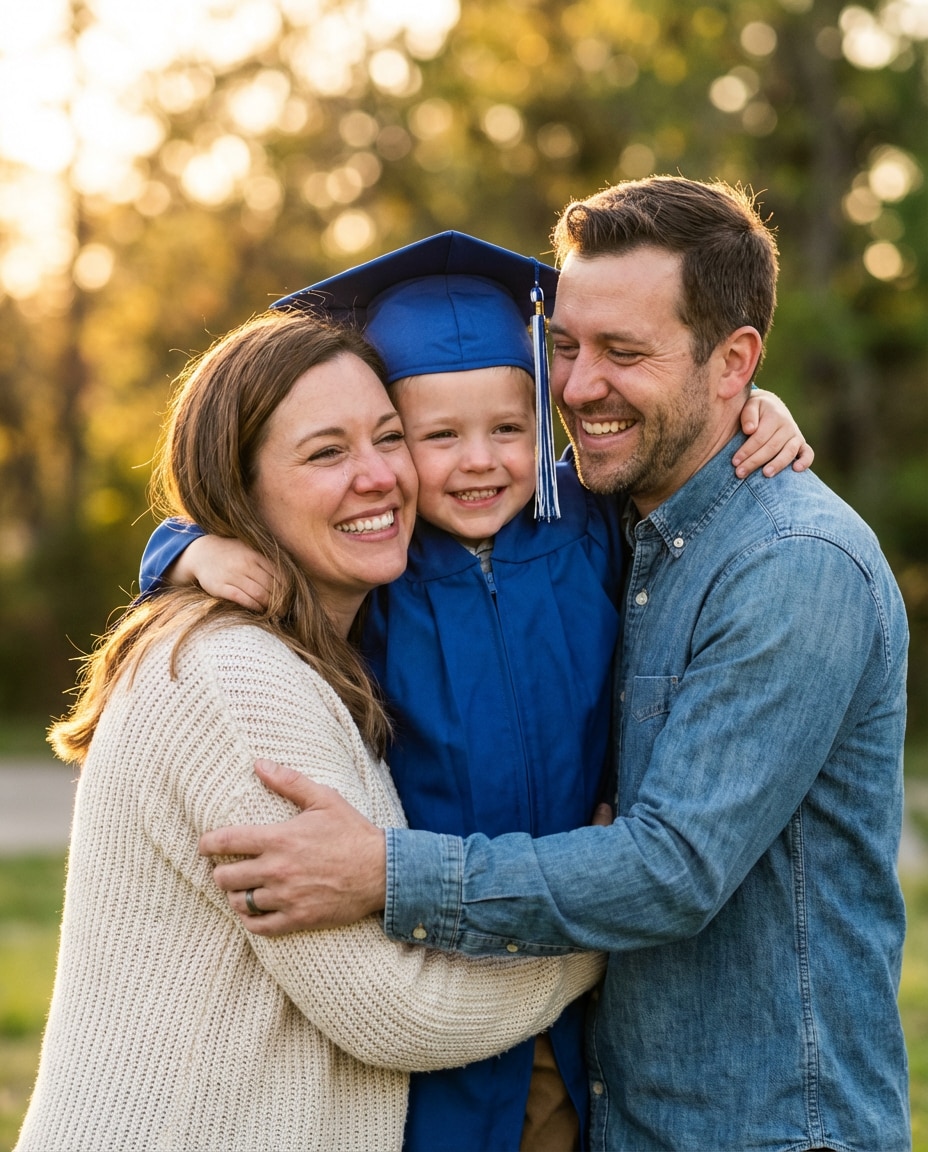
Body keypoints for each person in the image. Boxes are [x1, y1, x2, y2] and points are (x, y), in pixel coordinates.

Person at [197, 179, 910, 1152]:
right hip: (591, 1096)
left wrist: (384, 874)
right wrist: (183, 550)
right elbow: (289, 504)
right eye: (566, 348)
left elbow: (671, 870)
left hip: (763, 1127)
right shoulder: (602, 528)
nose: (576, 387)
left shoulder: (775, 560)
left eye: (624, 352)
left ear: (731, 361)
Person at [15, 311, 607, 1152]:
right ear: (238, 490)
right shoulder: (237, 680)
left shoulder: (322, 656)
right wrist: (606, 927)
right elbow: (399, 1008)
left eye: (389, 437)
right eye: (327, 452)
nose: (378, 477)